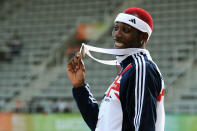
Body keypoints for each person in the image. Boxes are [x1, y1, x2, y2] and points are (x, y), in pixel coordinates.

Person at [67, 7, 165, 131]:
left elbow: (143, 127)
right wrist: (80, 86)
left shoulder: (142, 68)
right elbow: (100, 126)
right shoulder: (129, 69)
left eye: (126, 30)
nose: (117, 34)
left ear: (143, 37)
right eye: (116, 28)